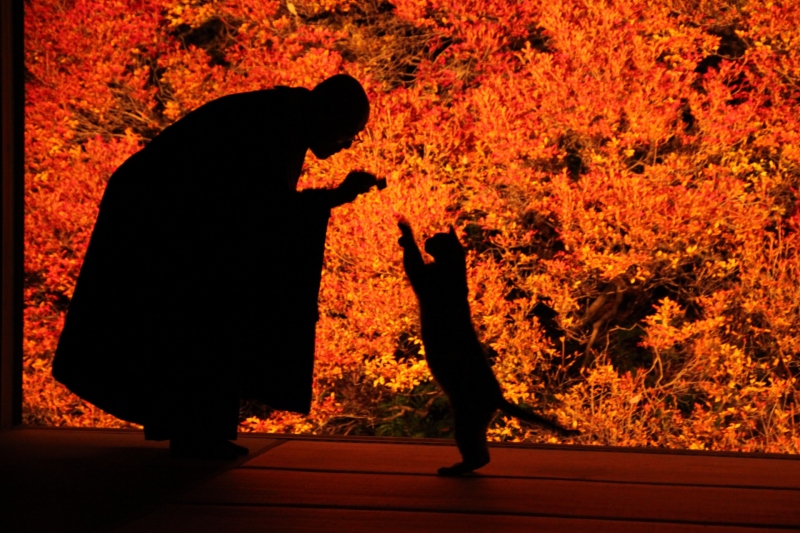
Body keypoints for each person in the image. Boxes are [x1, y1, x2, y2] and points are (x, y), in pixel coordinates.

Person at [52, 74, 381, 458]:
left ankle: (195, 429)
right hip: (157, 218)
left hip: (161, 211)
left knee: (204, 311)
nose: (348, 143)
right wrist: (334, 197)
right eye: (348, 132)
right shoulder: (273, 129)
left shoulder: (280, 117)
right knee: (207, 311)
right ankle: (196, 433)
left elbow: (259, 212)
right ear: (326, 114)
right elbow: (263, 214)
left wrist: (332, 198)